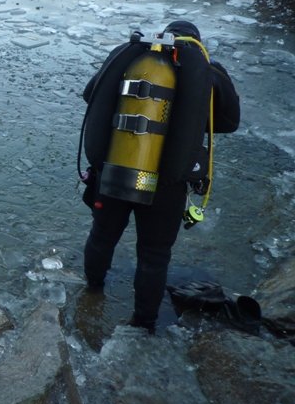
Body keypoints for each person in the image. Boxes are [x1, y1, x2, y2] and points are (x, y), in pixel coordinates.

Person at [79, 21, 240, 334]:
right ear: (197, 43)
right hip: (166, 184)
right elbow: (229, 122)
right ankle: (143, 324)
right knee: (154, 256)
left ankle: (92, 291)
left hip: (118, 169)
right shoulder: (206, 72)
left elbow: (91, 95)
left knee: (102, 236)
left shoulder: (133, 58)